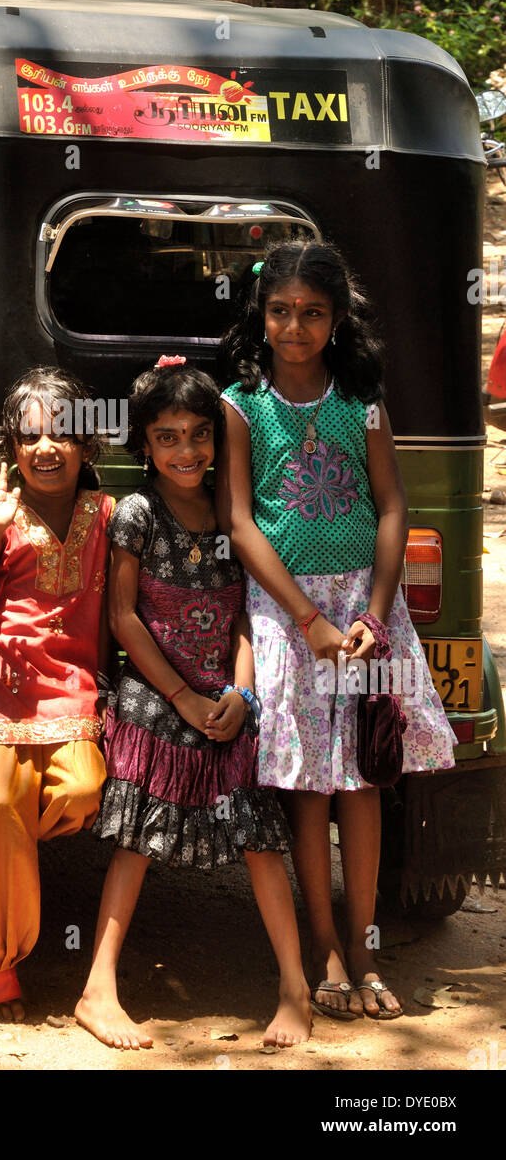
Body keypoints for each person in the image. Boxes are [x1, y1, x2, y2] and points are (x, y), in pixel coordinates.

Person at [219, 241, 456, 1023]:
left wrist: (371, 612)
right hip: (290, 617)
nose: (294, 327)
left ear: (335, 320)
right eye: (280, 311)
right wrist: (308, 620)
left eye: (312, 313)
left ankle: (363, 945)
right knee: (309, 786)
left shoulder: (363, 400)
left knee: (362, 779)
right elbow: (241, 522)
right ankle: (322, 943)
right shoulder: (238, 403)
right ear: (260, 313)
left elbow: (391, 505)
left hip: (362, 609)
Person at [75, 357, 310, 1051]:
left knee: (263, 841)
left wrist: (239, 692)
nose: (186, 451)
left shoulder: (231, 514)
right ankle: (96, 989)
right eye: (168, 436)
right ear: (142, 445)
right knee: (132, 843)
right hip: (157, 698)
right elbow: (123, 619)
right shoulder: (136, 516)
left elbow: (242, 614)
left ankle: (294, 988)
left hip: (226, 699)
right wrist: (180, 696)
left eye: (198, 434)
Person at [0, 367, 113, 1020]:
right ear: (11, 447)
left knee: (77, 791)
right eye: (31, 436)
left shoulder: (108, 516)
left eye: (63, 434)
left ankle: (3, 858)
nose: (47, 448)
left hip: (71, 692)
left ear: (87, 447)